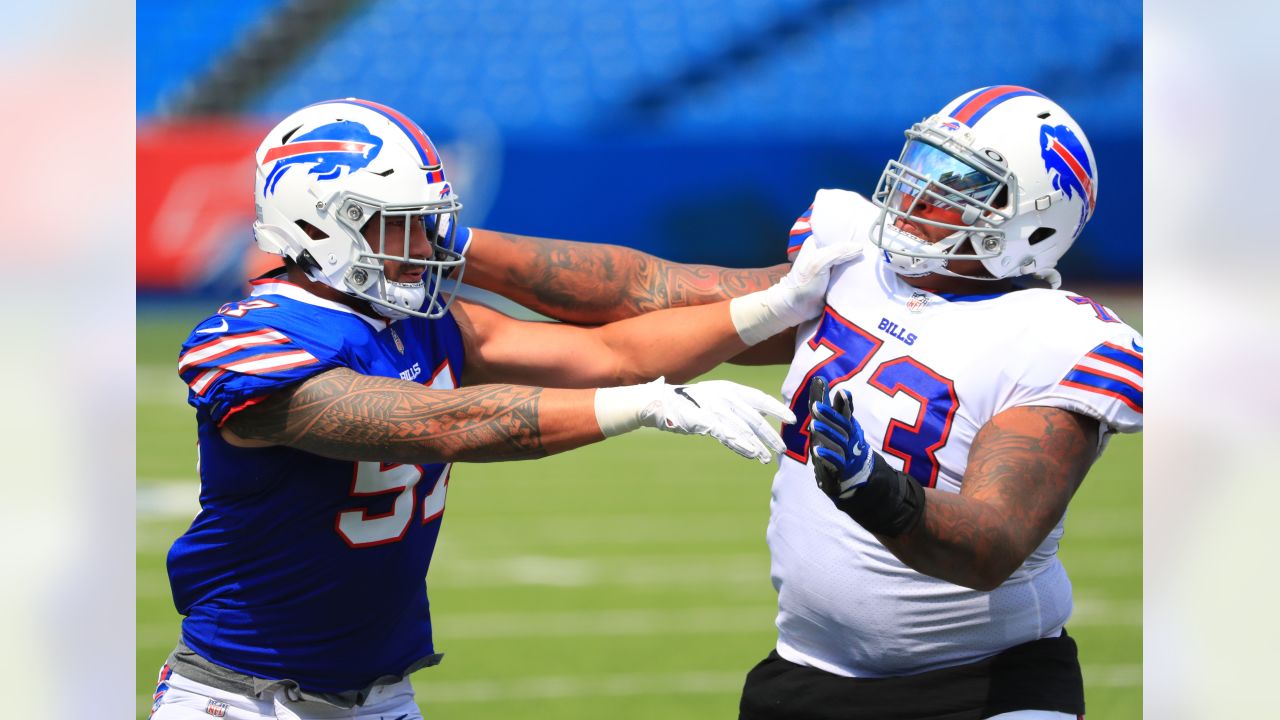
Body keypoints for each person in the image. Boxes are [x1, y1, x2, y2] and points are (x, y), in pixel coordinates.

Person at [148, 98, 861, 720]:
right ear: (315, 226)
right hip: (243, 700)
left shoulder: (425, 320)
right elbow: (441, 424)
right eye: (397, 226)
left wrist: (775, 303)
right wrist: (641, 408)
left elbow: (612, 352)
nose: (425, 248)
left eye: (425, 223)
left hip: (382, 698)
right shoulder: (252, 341)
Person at [453, 86, 1143, 719]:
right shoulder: (851, 259)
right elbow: (644, 290)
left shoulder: (1055, 338)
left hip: (987, 685)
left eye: (958, 181)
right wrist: (458, 248)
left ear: (1032, 223)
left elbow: (993, 543)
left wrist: (877, 490)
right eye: (925, 159)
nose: (919, 185)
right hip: (810, 671)